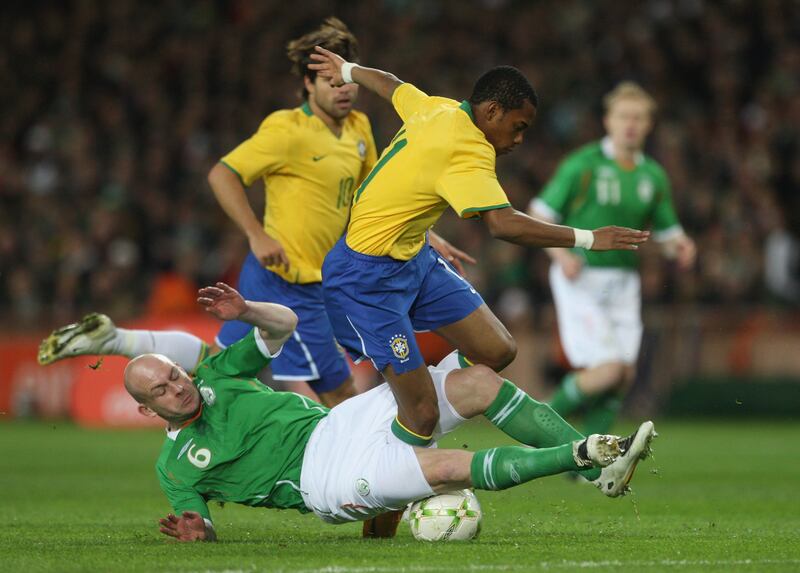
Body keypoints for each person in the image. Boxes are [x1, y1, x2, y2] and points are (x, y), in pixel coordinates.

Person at [37, 18, 471, 409]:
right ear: (307, 83)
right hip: (292, 281)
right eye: (330, 81)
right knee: (340, 393)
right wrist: (254, 233)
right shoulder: (286, 130)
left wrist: (427, 235)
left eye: (346, 79)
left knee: (221, 362)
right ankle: (370, 483)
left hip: (323, 278)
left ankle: (116, 338)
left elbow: (373, 192)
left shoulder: (358, 128)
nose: (343, 89)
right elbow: (222, 174)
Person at [307, 47, 650, 449]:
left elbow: (393, 85)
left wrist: (348, 69)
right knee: (421, 416)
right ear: (491, 113)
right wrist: (590, 238)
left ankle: (425, 390)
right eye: (518, 127)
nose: (519, 139)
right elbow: (502, 224)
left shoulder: (439, 108)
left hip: (414, 259)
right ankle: (393, 439)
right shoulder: (468, 147)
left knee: (497, 348)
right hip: (364, 279)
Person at [128, 282, 656, 542]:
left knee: (478, 382)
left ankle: (600, 473)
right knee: (446, 468)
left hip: (341, 423)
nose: (177, 387)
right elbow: (204, 523)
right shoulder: (174, 469)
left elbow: (283, 325)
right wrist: (203, 532)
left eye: (175, 374)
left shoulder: (217, 375)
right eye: (162, 390)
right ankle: (583, 453)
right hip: (325, 481)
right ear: (147, 408)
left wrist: (245, 311)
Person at [529, 82, 696, 438]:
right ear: (608, 121)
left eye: (638, 117)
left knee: (624, 375)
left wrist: (682, 246)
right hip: (582, 276)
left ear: (649, 124)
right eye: (624, 116)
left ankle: (589, 463)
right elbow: (538, 214)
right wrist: (560, 256)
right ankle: (536, 425)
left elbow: (668, 235)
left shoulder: (652, 175)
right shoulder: (583, 165)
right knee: (608, 370)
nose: (630, 124)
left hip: (624, 282)